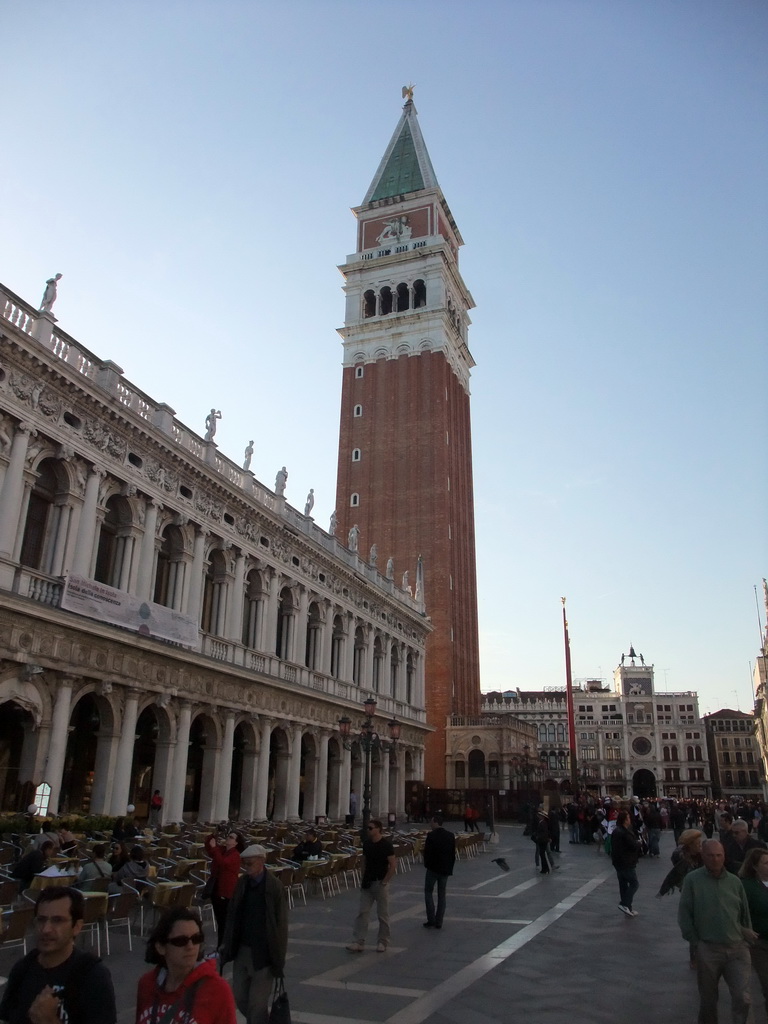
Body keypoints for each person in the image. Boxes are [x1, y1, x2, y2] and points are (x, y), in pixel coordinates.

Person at [0, 886, 116, 1024]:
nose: (46, 929)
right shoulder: (23, 969)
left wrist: (50, 1021)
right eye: (41, 920)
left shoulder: (92, 975)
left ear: (77, 927)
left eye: (57, 920)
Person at [679, 839, 757, 1024]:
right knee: (708, 1000)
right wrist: (696, 942)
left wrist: (747, 934)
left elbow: (744, 913)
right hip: (708, 948)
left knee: (743, 997)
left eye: (719, 855)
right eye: (711, 855)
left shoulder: (734, 881)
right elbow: (685, 914)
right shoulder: (693, 880)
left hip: (737, 948)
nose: (715, 859)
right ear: (703, 857)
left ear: (724, 856)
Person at [220, 844, 288, 1024]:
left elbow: (281, 924)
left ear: (261, 862)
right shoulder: (242, 883)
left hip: (263, 953)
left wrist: (279, 959)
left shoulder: (274, 886)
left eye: (250, 864)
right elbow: (233, 914)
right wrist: (227, 944)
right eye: (245, 864)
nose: (246, 868)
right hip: (241, 949)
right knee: (240, 997)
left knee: (257, 1004)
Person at [136, 906, 236, 1024]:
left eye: (196, 938)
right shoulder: (147, 985)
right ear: (161, 947)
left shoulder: (217, 990)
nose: (190, 947)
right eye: (180, 941)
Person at [347, 819, 396, 953]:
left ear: (378, 829)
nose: (368, 830)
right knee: (362, 913)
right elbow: (364, 861)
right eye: (367, 828)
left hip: (380, 882)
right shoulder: (367, 844)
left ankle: (383, 941)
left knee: (383, 914)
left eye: (370, 828)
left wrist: (385, 881)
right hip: (367, 883)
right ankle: (359, 941)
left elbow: (393, 865)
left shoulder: (386, 845)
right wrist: (363, 876)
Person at [740, 848, 768, 1015]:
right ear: (755, 867)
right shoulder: (747, 886)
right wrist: (745, 930)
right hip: (760, 944)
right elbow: (739, 912)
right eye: (766, 863)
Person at [204, 830, 244, 937]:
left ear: (236, 843)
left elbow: (222, 863)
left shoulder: (235, 854)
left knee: (224, 921)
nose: (228, 838)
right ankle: (221, 946)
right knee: (220, 920)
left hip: (226, 891)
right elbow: (210, 849)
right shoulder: (223, 850)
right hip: (216, 888)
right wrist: (213, 835)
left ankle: (224, 946)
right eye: (228, 836)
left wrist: (214, 848)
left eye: (231, 837)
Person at [422, 815, 456, 929]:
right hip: (445, 869)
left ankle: (431, 919)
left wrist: (427, 864)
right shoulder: (450, 836)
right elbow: (452, 854)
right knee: (442, 895)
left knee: (428, 892)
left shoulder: (431, 835)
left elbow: (427, 852)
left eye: (431, 822)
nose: (430, 824)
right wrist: (450, 868)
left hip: (432, 868)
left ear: (436, 822)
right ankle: (439, 921)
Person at [611, 809, 641, 916]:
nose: (630, 820)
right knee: (634, 883)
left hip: (618, 862)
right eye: (628, 818)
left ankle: (628, 907)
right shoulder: (624, 832)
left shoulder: (616, 831)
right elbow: (632, 845)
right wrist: (638, 843)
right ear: (624, 820)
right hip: (626, 862)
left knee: (623, 885)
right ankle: (624, 904)